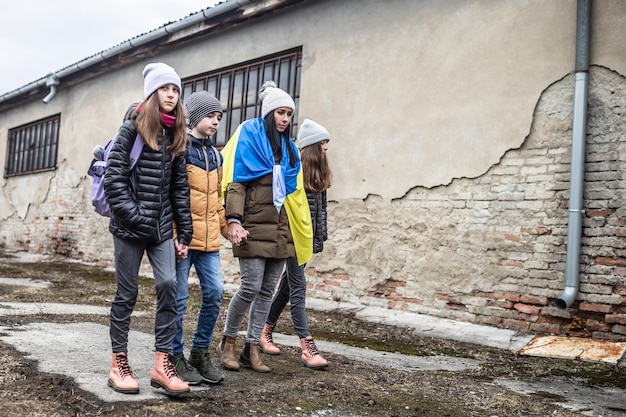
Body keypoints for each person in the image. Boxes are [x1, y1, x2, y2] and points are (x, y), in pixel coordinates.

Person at [104, 62, 192, 396]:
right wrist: (136, 216)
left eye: (175, 90)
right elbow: (114, 180)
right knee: (126, 295)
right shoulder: (131, 129)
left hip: (160, 229)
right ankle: (118, 363)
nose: (171, 95)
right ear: (153, 94)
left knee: (169, 286)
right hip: (128, 228)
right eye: (165, 89)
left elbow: (179, 188)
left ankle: (161, 364)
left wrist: (184, 233)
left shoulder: (175, 135)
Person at [217, 81, 313, 373]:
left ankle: (252, 348)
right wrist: (233, 220)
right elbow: (237, 183)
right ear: (269, 113)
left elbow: (294, 194)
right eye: (280, 113)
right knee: (250, 287)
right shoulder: (250, 137)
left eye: (289, 114)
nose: (285, 119)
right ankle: (228, 342)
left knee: (267, 291)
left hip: (281, 230)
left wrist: (298, 231)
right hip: (253, 227)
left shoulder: (290, 149)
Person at [260, 119, 332, 370]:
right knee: (299, 288)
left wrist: (318, 240)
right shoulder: (295, 170)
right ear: (312, 146)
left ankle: (264, 330)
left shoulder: (320, 174)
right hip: (292, 239)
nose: (326, 147)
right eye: (323, 143)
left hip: (306, 241)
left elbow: (320, 211)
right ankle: (307, 348)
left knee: (287, 288)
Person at [172, 91, 228, 385]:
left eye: (219, 117)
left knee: (215, 293)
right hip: (183, 240)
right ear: (194, 117)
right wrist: (173, 235)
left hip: (209, 243)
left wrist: (228, 228)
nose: (215, 121)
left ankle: (200, 354)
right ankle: (174, 356)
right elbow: (173, 196)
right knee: (179, 300)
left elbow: (216, 200)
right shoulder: (180, 150)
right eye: (210, 116)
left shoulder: (216, 156)